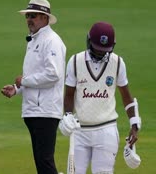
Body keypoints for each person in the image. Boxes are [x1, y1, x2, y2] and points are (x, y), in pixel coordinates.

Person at [59, 22, 141, 174]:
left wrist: (134, 125)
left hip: (106, 130)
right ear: (89, 41)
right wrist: (68, 115)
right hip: (80, 131)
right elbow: (69, 94)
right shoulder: (75, 62)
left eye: (103, 51)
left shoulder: (118, 63)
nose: (99, 54)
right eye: (96, 50)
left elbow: (127, 97)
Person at [1, 0, 66, 174]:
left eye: (34, 16)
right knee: (41, 162)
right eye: (27, 16)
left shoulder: (51, 40)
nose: (29, 19)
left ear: (45, 18)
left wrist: (24, 82)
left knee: (44, 162)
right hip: (34, 109)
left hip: (45, 110)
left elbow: (53, 74)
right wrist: (17, 89)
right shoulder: (34, 40)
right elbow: (33, 76)